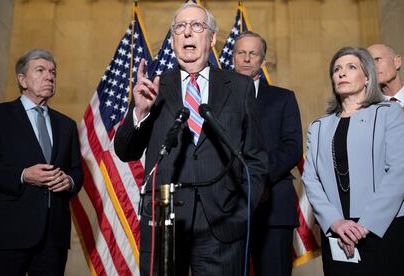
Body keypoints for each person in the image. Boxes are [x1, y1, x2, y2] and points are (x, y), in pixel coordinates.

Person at [114, 3, 267, 275]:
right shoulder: (153, 88)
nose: (187, 33)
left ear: (210, 38)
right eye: (179, 28)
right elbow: (125, 151)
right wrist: (139, 111)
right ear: (173, 40)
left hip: (223, 224)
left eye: (196, 26)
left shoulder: (241, 88)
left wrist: (242, 211)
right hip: (165, 224)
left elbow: (254, 159)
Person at [302, 47, 404, 275]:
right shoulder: (318, 127)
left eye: (351, 67)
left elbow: (399, 171)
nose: (342, 73)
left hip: (384, 227)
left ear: (367, 76)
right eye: (337, 69)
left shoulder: (390, 112)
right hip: (337, 232)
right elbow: (310, 179)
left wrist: (365, 224)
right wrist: (335, 223)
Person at [0, 48, 83, 276]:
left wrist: (69, 181)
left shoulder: (67, 125)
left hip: (54, 237)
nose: (49, 77)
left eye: (53, 72)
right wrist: (23, 175)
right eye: (40, 70)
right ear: (22, 80)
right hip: (8, 234)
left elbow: (77, 171)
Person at [233, 31, 302, 276]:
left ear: (262, 61)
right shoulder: (214, 98)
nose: (246, 59)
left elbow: (292, 147)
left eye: (253, 54)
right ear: (233, 58)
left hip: (273, 207)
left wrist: (255, 176)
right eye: (241, 52)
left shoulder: (283, 98)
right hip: (225, 207)